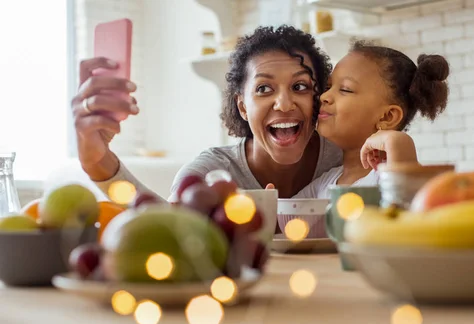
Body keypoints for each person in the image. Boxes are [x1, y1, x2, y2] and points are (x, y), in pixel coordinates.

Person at [71, 25, 342, 201]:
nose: (284, 104)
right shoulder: (212, 172)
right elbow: (171, 225)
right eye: (263, 88)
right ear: (243, 107)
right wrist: (98, 163)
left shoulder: (348, 157)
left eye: (300, 86)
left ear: (319, 97)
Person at [293, 41, 449, 199]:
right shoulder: (324, 183)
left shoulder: (388, 174)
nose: (324, 96)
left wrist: (397, 142)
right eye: (328, 87)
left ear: (387, 117)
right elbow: (285, 216)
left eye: (345, 89)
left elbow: (407, 200)